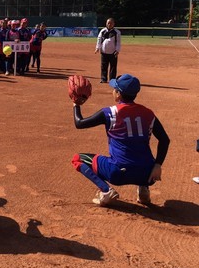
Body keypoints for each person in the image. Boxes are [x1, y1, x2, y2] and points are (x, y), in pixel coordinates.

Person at [71, 74, 169, 206]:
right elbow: (165, 140)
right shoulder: (148, 113)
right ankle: (144, 189)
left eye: (114, 89)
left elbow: (79, 123)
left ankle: (106, 191)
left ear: (118, 94)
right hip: (148, 175)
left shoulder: (109, 112)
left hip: (117, 173)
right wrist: (157, 165)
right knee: (141, 155)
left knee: (77, 159)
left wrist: (76, 104)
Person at [95, 18, 121, 83]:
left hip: (113, 52)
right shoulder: (103, 31)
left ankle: (112, 80)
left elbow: (118, 42)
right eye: (108, 23)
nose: (109, 24)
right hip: (104, 52)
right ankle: (103, 79)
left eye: (111, 23)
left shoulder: (117, 32)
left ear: (113, 24)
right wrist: (97, 48)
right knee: (104, 66)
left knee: (113, 67)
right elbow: (99, 40)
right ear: (106, 23)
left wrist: (117, 50)